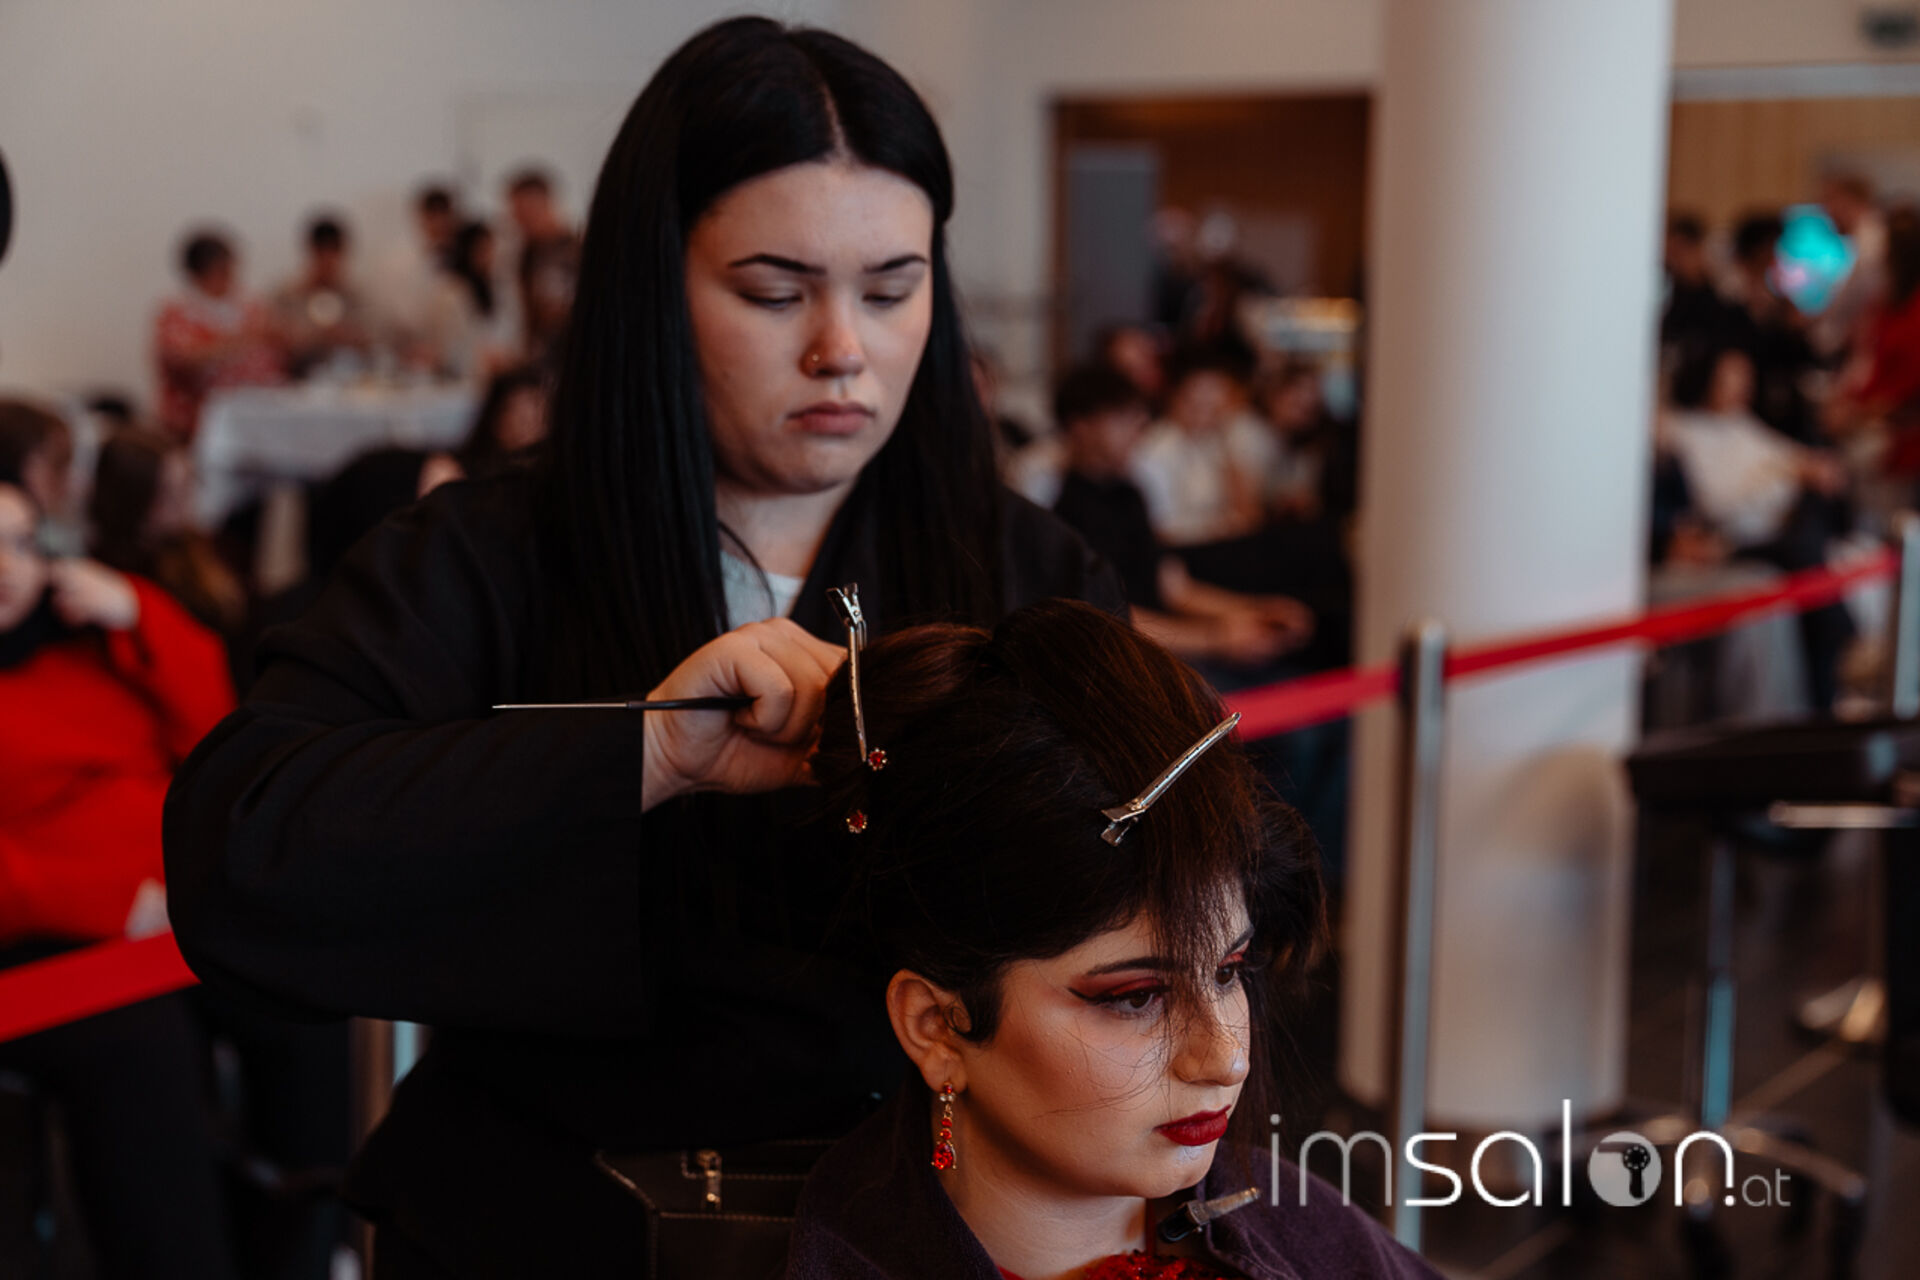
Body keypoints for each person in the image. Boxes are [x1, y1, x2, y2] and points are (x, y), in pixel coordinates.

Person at [163, 17, 1125, 1276]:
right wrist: (644, 755)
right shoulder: (489, 554)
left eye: (892, 290)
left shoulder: (1031, 574)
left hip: (921, 1223)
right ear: (651, 287)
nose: (842, 347)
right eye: (773, 292)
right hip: (546, 1224)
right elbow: (244, 847)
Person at [786, 600, 1439, 1279]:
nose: (1225, 1060)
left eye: (1228, 971)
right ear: (936, 1027)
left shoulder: (1308, 1231)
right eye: (1135, 997)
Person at [0, 475, 242, 1279]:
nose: (6, 567)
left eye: (21, 542)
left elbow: (221, 746)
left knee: (304, 968)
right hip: (42, 950)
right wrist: (113, 904)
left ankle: (309, 1244)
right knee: (140, 1038)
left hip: (162, 923)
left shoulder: (83, 648)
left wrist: (140, 611)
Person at [1050, 363, 1311, 669]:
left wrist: (1254, 610)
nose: (1138, 426)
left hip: (1169, 643)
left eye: (1137, 415)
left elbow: (1173, 586)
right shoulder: (1068, 517)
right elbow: (1108, 619)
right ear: (1080, 427)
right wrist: (1217, 638)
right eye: (1121, 416)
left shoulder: (1129, 494)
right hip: (1131, 662)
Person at [89, 427, 247, 638]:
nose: (185, 504)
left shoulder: (193, 543)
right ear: (133, 502)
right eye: (170, 495)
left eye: (187, 486)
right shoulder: (111, 576)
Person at [1130, 345, 1274, 549]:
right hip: (1187, 551)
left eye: (1219, 391)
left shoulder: (1214, 440)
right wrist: (1219, 527)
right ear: (1177, 394)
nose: (1211, 401)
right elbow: (1161, 530)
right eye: (1202, 390)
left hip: (1224, 545)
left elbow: (1249, 511)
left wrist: (1228, 443)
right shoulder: (1156, 449)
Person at [154, 228, 287, 441]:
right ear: (199, 274)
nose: (230, 278)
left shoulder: (250, 308)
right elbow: (185, 360)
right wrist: (238, 341)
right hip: (197, 424)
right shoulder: (177, 314)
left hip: (257, 417)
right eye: (222, 271)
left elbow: (279, 346)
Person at [274, 213, 374, 377]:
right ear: (311, 253)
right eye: (321, 255)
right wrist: (313, 336)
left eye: (334, 255)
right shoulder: (287, 295)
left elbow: (374, 340)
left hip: (352, 379)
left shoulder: (358, 296)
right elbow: (276, 340)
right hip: (297, 380)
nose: (328, 264)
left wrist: (346, 335)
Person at [503, 166, 579, 362]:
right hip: (543, 358)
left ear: (546, 203)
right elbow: (529, 316)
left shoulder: (576, 250)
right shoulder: (527, 255)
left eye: (527, 213)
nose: (520, 223)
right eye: (517, 215)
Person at [454, 363, 548, 481]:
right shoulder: (456, 472)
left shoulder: (553, 475)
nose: (526, 422)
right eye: (514, 409)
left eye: (534, 407)